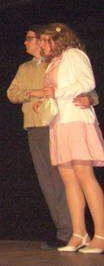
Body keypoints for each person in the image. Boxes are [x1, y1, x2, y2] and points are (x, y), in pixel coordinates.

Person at [7, 26, 98, 248]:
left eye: (33, 38)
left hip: (68, 122)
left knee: (79, 177)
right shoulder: (32, 66)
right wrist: (37, 96)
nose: (28, 43)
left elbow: (87, 87)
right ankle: (72, 232)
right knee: (57, 181)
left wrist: (89, 99)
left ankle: (87, 233)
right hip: (45, 124)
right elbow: (12, 93)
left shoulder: (69, 57)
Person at [29, 23, 104, 253]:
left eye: (46, 40)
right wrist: (45, 101)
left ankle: (101, 235)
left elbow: (87, 82)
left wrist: (57, 93)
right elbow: (54, 91)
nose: (42, 45)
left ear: (58, 39)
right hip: (59, 123)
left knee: (84, 175)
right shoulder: (53, 62)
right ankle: (79, 234)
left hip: (76, 120)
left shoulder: (74, 55)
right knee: (68, 179)